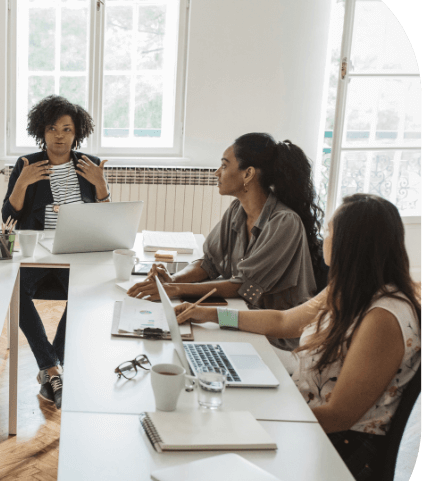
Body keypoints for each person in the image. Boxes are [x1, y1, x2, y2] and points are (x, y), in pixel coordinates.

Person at [174, 193, 421, 481]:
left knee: (205, 453)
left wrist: (254, 422)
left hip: (337, 452)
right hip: (305, 423)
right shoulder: (347, 289)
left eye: (329, 231)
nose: (324, 237)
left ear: (351, 243)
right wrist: (211, 314)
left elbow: (338, 416)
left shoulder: (383, 318)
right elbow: (283, 322)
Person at [128, 133, 326, 351]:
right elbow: (209, 264)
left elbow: (244, 286)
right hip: (241, 317)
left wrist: (174, 289)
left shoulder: (285, 223)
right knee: (178, 340)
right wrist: (173, 279)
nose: (216, 173)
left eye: (224, 165)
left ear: (248, 174)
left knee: (192, 346)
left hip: (278, 338)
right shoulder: (236, 210)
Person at [1, 95, 111, 409]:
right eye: (52, 129)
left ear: (77, 133)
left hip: (76, 252)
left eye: (66, 129)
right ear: (42, 132)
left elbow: (104, 216)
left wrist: (101, 186)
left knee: (88, 294)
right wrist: (21, 183)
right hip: (37, 252)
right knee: (15, 291)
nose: (59, 135)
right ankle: (51, 368)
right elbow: (9, 215)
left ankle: (50, 368)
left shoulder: (87, 164)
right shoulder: (26, 164)